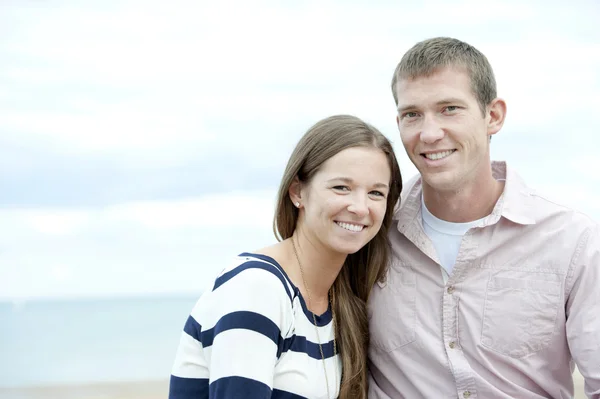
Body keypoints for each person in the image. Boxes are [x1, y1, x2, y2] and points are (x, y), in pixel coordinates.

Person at [368, 37, 600, 399]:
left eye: (449, 109)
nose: (429, 134)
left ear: (493, 116)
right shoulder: (372, 234)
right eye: (412, 114)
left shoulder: (572, 241)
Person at [169, 115, 402, 399]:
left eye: (376, 193)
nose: (360, 207)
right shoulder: (258, 288)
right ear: (297, 192)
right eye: (341, 187)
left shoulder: (338, 304)